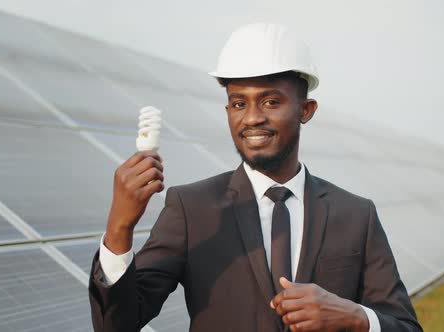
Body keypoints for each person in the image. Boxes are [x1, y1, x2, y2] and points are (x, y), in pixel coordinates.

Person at [88, 23, 422, 332]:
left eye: (271, 101)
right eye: (238, 104)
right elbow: (118, 325)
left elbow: (405, 326)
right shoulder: (192, 209)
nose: (252, 118)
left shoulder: (355, 215)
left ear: (306, 110)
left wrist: (354, 317)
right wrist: (120, 226)